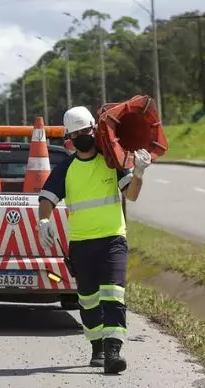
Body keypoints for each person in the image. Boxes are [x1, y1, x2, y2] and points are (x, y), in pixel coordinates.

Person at [36, 106, 151, 374]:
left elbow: (131, 196)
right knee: (88, 300)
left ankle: (113, 351)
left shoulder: (111, 161)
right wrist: (44, 221)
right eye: (75, 134)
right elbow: (46, 199)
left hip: (112, 240)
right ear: (69, 138)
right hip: (81, 244)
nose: (82, 137)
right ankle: (97, 347)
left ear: (94, 130)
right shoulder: (66, 168)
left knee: (113, 294)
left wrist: (139, 174)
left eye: (85, 131)